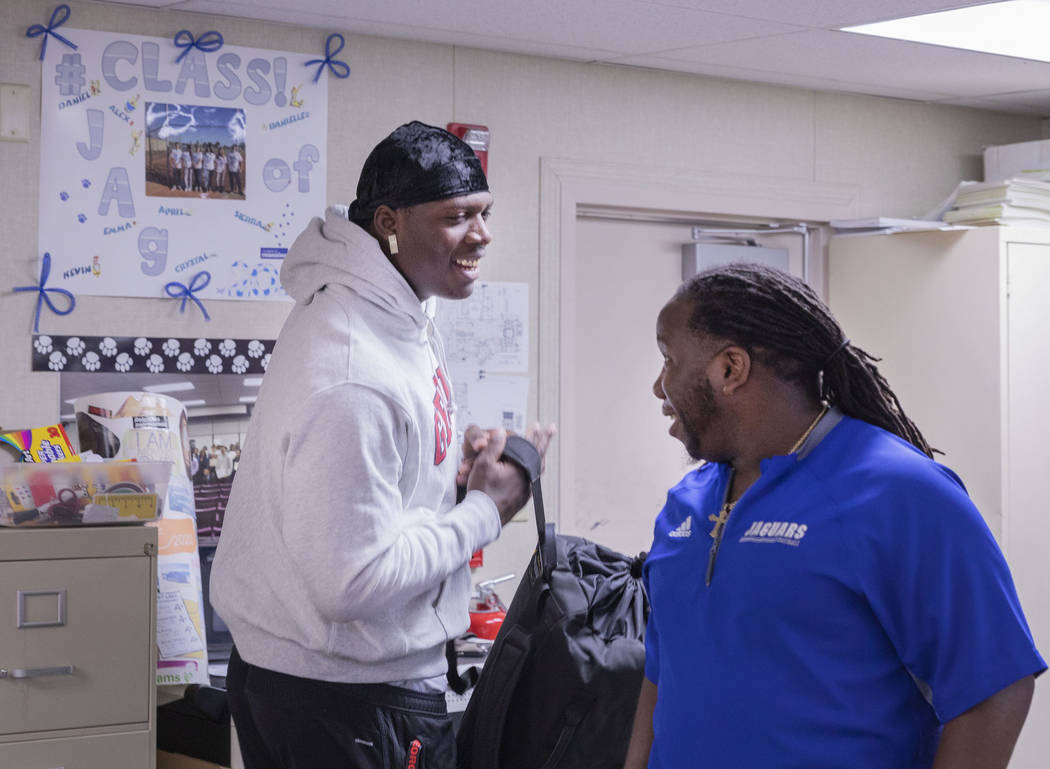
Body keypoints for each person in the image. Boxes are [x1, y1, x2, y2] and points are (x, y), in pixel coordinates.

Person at [211, 121, 555, 769]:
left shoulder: (389, 313)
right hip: (344, 699)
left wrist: (450, 474)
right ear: (390, 223)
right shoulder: (354, 365)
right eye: (456, 216)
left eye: (484, 213)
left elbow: (364, 490)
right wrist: (486, 507)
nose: (481, 235)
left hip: (316, 683)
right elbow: (353, 580)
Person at [624, 263, 1045, 769]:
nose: (658, 387)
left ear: (730, 368)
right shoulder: (685, 504)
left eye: (669, 360)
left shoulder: (899, 492)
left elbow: (995, 687)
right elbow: (661, 674)